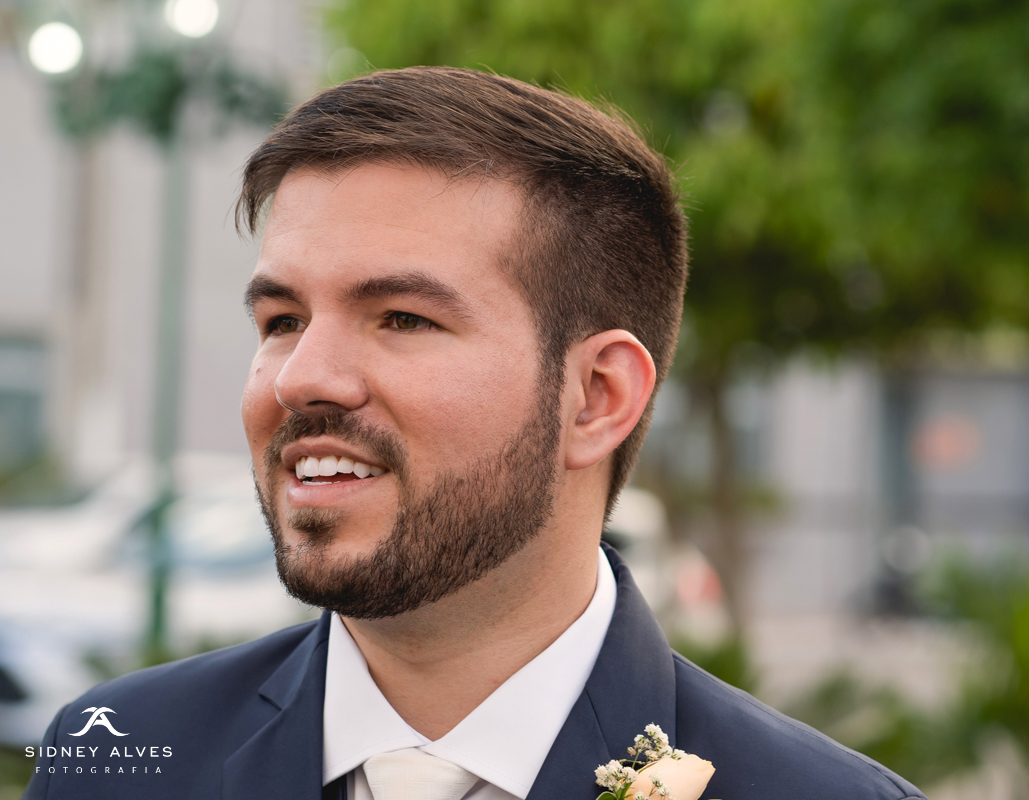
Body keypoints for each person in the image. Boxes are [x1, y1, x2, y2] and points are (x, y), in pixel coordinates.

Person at [23, 67, 925, 800]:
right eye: (283, 320)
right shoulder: (111, 763)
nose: (301, 378)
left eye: (403, 318)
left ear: (597, 397)